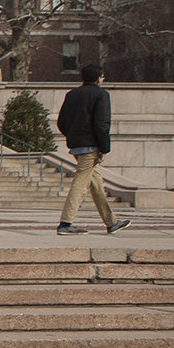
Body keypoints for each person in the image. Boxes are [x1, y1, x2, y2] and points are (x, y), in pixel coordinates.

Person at [58, 65, 131, 236]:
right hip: (90, 146)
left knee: (96, 183)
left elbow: (61, 122)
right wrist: (104, 148)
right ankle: (65, 222)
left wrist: (72, 136)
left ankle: (111, 222)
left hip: (76, 145)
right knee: (80, 183)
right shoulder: (101, 95)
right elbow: (101, 124)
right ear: (99, 77)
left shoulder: (72, 94)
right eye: (103, 76)